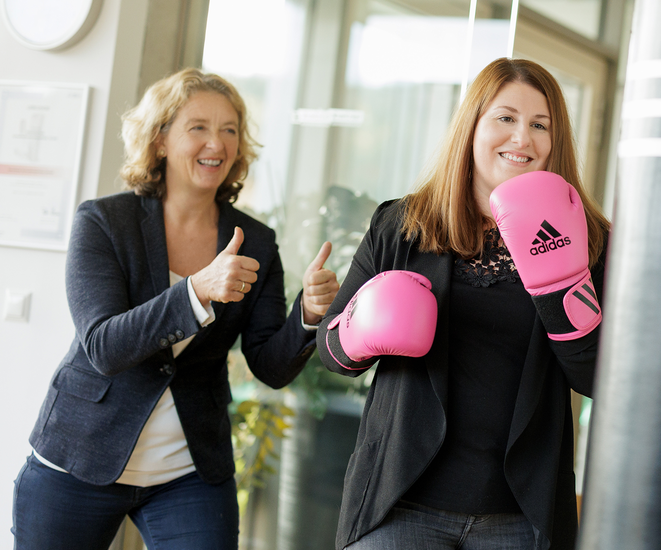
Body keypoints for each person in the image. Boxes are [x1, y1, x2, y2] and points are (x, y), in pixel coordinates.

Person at [13, 69, 340, 550]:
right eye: (199, 127)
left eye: (230, 129)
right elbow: (104, 345)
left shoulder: (257, 241)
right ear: (160, 139)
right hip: (79, 460)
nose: (218, 143)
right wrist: (196, 290)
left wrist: (308, 315)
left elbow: (270, 365)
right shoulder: (104, 222)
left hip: (188, 473)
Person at [317, 57, 610, 550]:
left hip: (518, 517)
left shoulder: (587, 238)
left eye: (541, 125)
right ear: (471, 126)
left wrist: (563, 291)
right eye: (505, 118)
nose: (522, 139)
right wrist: (359, 327)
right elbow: (331, 352)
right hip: (400, 504)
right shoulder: (402, 225)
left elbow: (598, 379)